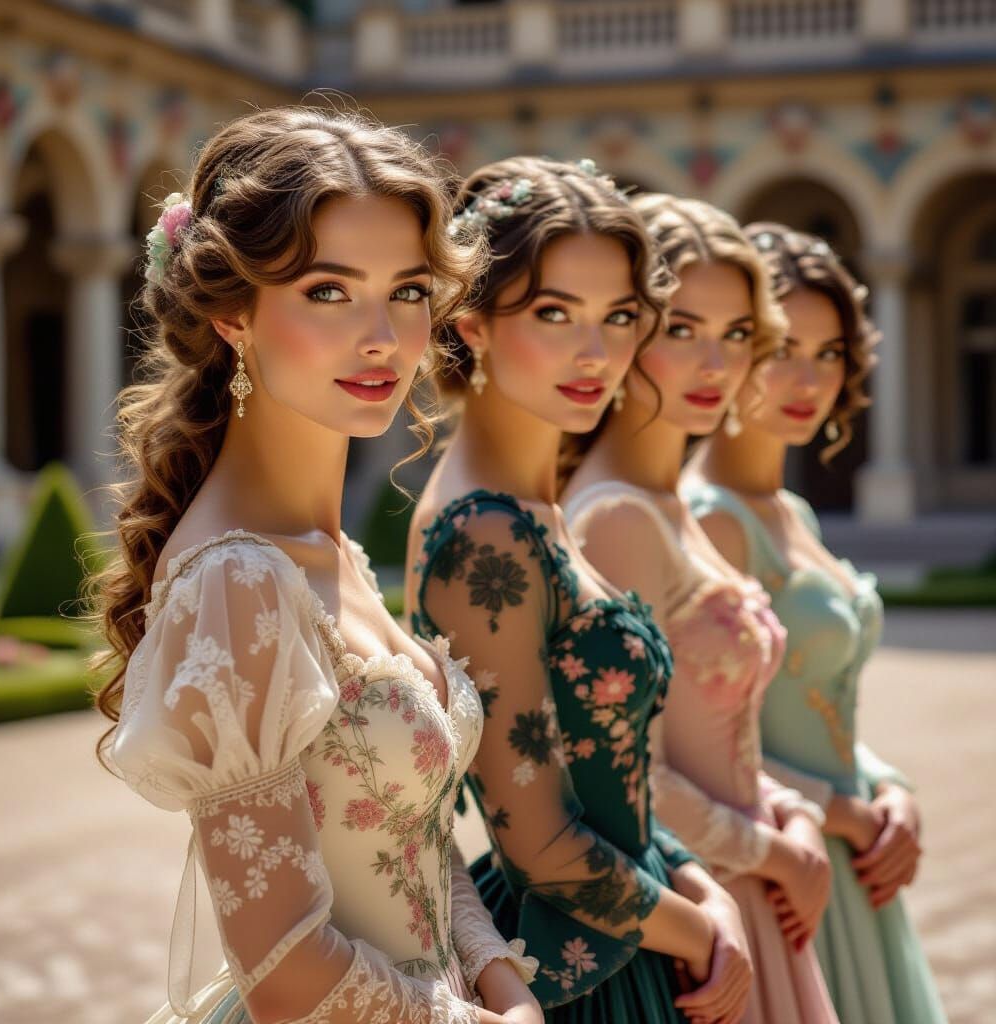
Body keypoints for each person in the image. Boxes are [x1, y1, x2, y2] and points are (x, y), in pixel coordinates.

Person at [89, 106, 540, 1024]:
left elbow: (409, 837)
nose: (382, 336)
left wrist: (500, 977)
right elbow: (288, 968)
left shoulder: (332, 555)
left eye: (409, 291)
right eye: (329, 291)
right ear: (232, 314)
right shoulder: (238, 582)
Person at [405, 158, 752, 1024]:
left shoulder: (535, 504)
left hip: (648, 928)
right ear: (473, 320)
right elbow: (543, 850)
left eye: (621, 316)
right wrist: (705, 930)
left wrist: (713, 891)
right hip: (587, 974)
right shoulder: (485, 534)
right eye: (554, 314)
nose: (597, 354)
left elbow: (617, 779)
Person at [560, 194, 839, 1024]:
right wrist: (776, 854)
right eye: (682, 330)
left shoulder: (671, 503)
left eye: (739, 334)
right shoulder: (612, 517)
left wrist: (793, 811)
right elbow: (617, 779)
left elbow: (722, 739)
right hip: (702, 918)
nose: (715, 364)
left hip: (761, 886)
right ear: (626, 328)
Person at [684, 222, 947, 1024]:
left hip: (857, 855)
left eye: (830, 353)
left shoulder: (791, 511)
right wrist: (844, 812)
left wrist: (889, 789)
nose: (809, 379)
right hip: (785, 866)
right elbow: (690, 747)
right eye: (782, 349)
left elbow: (821, 701)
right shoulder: (708, 522)